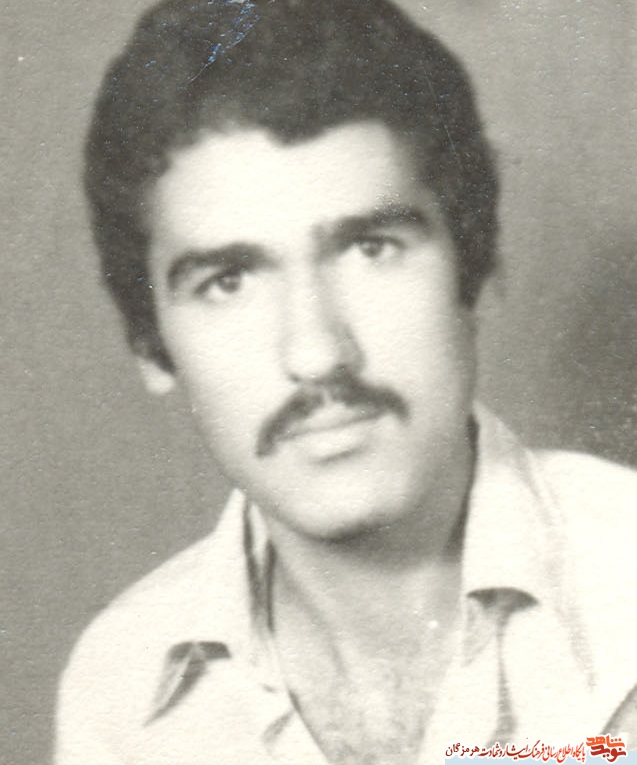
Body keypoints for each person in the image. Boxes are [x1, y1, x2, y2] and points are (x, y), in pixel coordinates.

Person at [55, 0, 637, 763]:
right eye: (228, 281)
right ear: (151, 343)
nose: (316, 352)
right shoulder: (119, 695)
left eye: (371, 248)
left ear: (474, 267)